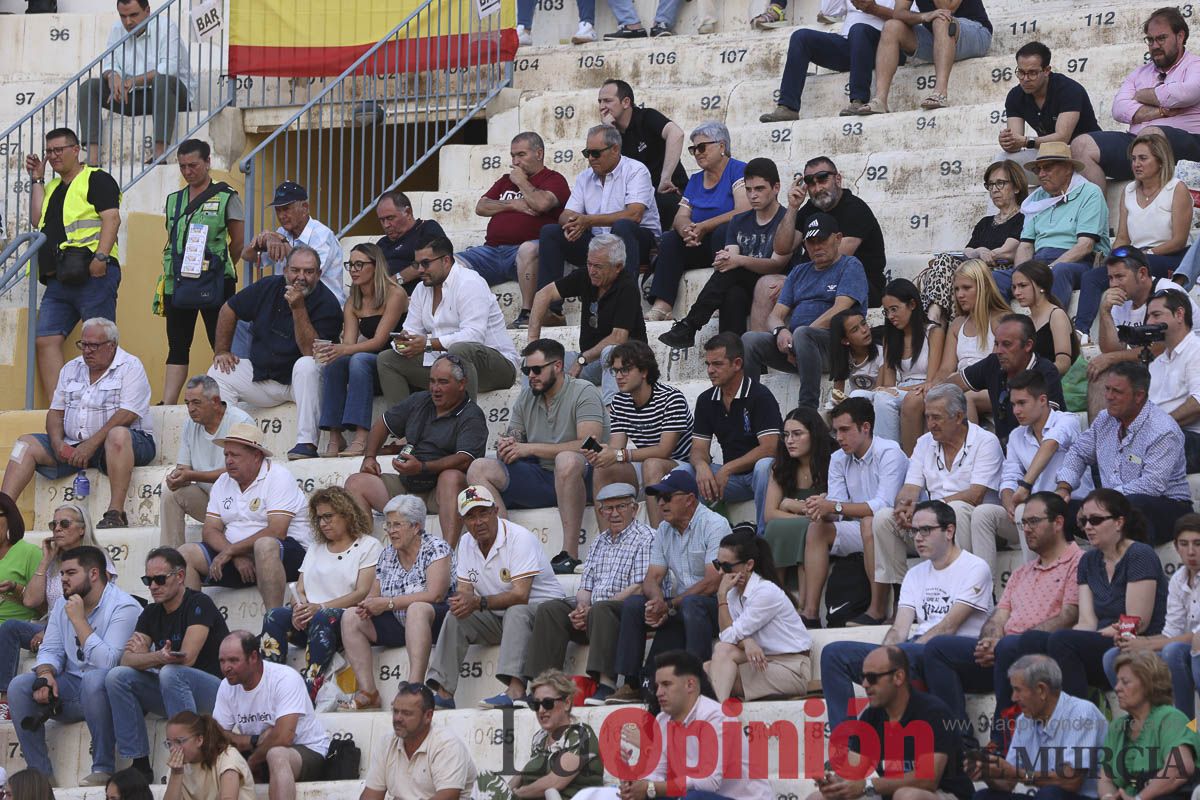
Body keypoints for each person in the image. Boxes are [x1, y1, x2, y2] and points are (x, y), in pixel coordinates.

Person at [923, 492, 1084, 746]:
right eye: (1024, 523)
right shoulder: (1022, 572)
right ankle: (957, 741)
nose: (1027, 529)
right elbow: (998, 616)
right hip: (1004, 653)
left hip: (1044, 655)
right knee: (937, 648)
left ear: (1059, 523)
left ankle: (1002, 740)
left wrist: (1013, 641)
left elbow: (1069, 615)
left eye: (1034, 522)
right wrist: (990, 640)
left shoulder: (1078, 563)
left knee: (1010, 646)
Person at [821, 501, 993, 730]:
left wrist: (899, 655)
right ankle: (846, 744)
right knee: (834, 654)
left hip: (956, 654)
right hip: (914, 650)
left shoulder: (975, 567)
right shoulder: (915, 574)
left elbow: (948, 627)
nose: (918, 538)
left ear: (949, 531)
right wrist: (883, 656)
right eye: (914, 531)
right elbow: (899, 629)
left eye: (926, 530)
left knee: (917, 650)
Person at [1, 317, 155, 530]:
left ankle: (115, 513)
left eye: (94, 345)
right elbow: (55, 412)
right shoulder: (71, 368)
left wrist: (90, 445)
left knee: (118, 434)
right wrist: (57, 443)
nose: (87, 351)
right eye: (84, 344)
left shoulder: (131, 366)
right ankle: (3, 512)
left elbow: (127, 414)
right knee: (24, 445)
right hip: (74, 445)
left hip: (125, 444)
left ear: (112, 346)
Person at [465, 339, 603, 574]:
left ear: (557, 366)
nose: (531, 376)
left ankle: (569, 555)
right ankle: (503, 549)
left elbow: (589, 445)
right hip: (541, 477)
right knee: (478, 468)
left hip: (584, 477)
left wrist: (529, 448)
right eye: (527, 370)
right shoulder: (528, 396)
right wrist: (507, 445)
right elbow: (514, 437)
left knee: (566, 460)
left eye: (537, 369)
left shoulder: (583, 390)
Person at [8, 545, 142, 786]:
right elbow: (50, 650)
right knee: (19, 686)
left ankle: (103, 767)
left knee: (94, 678)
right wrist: (46, 674)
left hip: (110, 694)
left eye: (70, 573)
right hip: (71, 689)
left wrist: (79, 621)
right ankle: (40, 775)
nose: (63, 580)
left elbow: (109, 663)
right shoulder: (62, 604)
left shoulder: (125, 606)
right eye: (61, 574)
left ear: (93, 574)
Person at [425, 486, 565, 710]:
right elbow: (465, 590)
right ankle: (443, 692)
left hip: (545, 614)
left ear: (495, 511)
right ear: (462, 520)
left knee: (516, 611)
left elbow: (521, 595)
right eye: (470, 516)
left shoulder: (519, 538)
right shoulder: (466, 544)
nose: (478, 521)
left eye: (483, 513)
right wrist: (461, 601)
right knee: (456, 616)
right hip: (504, 617)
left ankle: (516, 691)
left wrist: (478, 602)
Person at [105, 547, 230, 784]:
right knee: (117, 677)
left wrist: (152, 657)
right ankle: (140, 763)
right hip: (173, 690)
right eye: (148, 580)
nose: (152, 586)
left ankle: (191, 760)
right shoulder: (151, 612)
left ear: (180, 576)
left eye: (159, 579)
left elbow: (187, 658)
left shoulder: (199, 603)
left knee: (173, 673)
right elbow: (127, 659)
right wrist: (158, 658)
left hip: (215, 693)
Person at [522, 483, 654, 706]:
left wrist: (593, 608)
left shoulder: (647, 537)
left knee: (603, 608)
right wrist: (582, 608)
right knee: (551, 609)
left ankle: (606, 683)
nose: (613, 513)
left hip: (627, 612)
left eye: (620, 507)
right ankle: (543, 685)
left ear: (635, 509)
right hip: (596, 611)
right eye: (607, 509)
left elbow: (639, 587)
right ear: (600, 512)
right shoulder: (600, 541)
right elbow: (586, 587)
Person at [604, 470, 730, 705]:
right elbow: (652, 578)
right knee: (634, 604)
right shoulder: (663, 529)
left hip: (716, 606)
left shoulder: (714, 524)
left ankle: (696, 680)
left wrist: (670, 604)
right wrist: (657, 602)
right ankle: (630, 682)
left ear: (690, 499)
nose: (661, 503)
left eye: (668, 497)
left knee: (693, 604)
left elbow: (713, 582)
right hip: (683, 605)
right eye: (658, 498)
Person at [207, 245, 342, 461]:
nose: (301, 277)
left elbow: (311, 352)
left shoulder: (329, 304)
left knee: (306, 364)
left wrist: (298, 308)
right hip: (264, 377)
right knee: (218, 372)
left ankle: (306, 443)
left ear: (319, 274)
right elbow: (229, 309)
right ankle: (232, 442)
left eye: (308, 272)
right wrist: (222, 350)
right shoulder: (269, 286)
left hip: (302, 386)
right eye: (295, 270)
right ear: (285, 270)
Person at [872, 384, 1009, 593]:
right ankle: (902, 595)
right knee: (884, 518)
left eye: (937, 417)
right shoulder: (924, 442)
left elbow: (975, 495)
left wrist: (925, 511)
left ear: (959, 416)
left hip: (976, 526)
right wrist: (904, 505)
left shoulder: (985, 441)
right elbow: (910, 487)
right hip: (932, 523)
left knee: (958, 509)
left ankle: (965, 593)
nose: (930, 424)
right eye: (927, 417)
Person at [345, 354, 487, 547]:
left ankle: (447, 555)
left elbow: (465, 459)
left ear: (462, 384)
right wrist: (370, 457)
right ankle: (366, 553)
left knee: (451, 477)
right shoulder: (420, 400)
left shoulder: (472, 415)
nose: (435, 389)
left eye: (443, 382)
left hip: (441, 494)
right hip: (408, 486)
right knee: (355, 483)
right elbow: (383, 424)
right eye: (432, 381)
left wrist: (422, 467)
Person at [25, 127, 122, 403]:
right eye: (49, 152)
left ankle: (102, 404)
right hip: (59, 278)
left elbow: (112, 219)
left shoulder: (96, 178)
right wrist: (37, 179)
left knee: (98, 342)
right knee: (46, 339)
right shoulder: (53, 186)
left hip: (93, 273)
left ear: (75, 149)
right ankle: (62, 408)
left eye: (59, 150)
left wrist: (100, 259)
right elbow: (36, 219)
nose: (53, 156)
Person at [1046, 489, 1168, 699]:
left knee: (1061, 642)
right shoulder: (1088, 560)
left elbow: (1136, 622)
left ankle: (1080, 718)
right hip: (1102, 639)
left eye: (1095, 520)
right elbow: (1086, 621)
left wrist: (1087, 638)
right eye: (1084, 521)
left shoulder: (1139, 554)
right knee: (1034, 643)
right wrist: (1083, 636)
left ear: (1119, 522)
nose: (1088, 527)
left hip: (1136, 640)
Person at [808, 646, 974, 800]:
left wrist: (868, 785)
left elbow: (927, 780)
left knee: (907, 796)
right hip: (892, 793)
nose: (865, 684)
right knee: (817, 798)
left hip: (943, 794)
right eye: (863, 677)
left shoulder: (933, 713)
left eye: (872, 678)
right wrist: (834, 783)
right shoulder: (872, 716)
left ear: (898, 677)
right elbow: (853, 769)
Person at [177, 423, 313, 610]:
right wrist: (235, 555)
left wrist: (231, 551)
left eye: (235, 455)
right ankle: (195, 624)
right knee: (185, 554)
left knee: (264, 545)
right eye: (226, 455)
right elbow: (210, 530)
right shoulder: (223, 482)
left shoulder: (278, 476)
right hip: (239, 558)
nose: (229, 461)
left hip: (286, 554)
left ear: (256, 456)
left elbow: (277, 531)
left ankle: (273, 624)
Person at [259, 487, 381, 696]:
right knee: (274, 615)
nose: (323, 523)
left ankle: (309, 690)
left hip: (342, 621)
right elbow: (299, 588)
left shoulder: (369, 545)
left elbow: (362, 592)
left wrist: (320, 608)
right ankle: (268, 684)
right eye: (319, 518)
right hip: (310, 618)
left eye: (328, 516)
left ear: (347, 514)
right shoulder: (316, 547)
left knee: (324, 617)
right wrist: (299, 607)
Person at [658, 157, 791, 346]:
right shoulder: (738, 221)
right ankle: (734, 358)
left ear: (776, 188)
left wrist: (738, 261)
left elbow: (777, 264)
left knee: (734, 270)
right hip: (743, 282)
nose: (753, 195)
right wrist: (725, 260)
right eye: (749, 189)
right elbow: (731, 258)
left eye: (759, 189)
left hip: (773, 285)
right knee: (732, 295)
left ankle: (690, 324)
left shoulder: (786, 220)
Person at [742, 213, 870, 411]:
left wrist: (798, 341)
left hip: (835, 347)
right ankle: (750, 408)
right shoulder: (799, 271)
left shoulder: (850, 265)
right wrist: (780, 332)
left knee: (803, 333)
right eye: (811, 242)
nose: (817, 247)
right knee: (750, 339)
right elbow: (775, 315)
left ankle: (807, 409)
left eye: (822, 240)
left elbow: (840, 309)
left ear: (837, 239)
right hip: (798, 348)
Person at [1055, 362, 1192, 544]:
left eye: (1117, 392)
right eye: (1107, 389)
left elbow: (1152, 486)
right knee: (1055, 508)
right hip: (1111, 504)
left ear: (1139, 396)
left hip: (1166, 506)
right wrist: (1064, 487)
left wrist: (1098, 503)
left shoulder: (1163, 430)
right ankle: (1067, 567)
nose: (1109, 397)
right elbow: (1079, 452)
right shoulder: (1104, 419)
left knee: (1133, 506)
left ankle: (1135, 566)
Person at [0, 503, 115, 720]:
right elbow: (31, 600)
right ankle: (4, 698)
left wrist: (50, 632)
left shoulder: (97, 558)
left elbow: (95, 604)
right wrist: (46, 561)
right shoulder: (54, 560)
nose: (57, 529)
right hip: (50, 623)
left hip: (85, 624)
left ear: (82, 529)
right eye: (54, 524)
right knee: (10, 628)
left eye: (64, 524)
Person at [801, 397, 908, 627]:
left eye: (845, 430)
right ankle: (810, 613)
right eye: (836, 431)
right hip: (865, 530)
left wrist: (834, 506)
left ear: (866, 427)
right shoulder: (838, 459)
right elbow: (837, 509)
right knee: (816, 529)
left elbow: (884, 505)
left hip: (900, 529)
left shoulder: (890, 452)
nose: (838, 437)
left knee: (872, 521)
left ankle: (877, 610)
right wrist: (820, 509)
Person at [339, 495, 453, 712]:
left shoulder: (436, 548)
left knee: (417, 609)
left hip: (436, 622)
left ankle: (414, 689)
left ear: (416, 526)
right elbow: (374, 595)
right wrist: (367, 606)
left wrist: (389, 603)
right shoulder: (387, 554)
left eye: (397, 525)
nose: (390, 531)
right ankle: (368, 693)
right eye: (388, 525)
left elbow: (436, 594)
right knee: (351, 616)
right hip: (401, 622)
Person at [534, 124, 660, 318]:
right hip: (598, 243)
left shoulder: (636, 170)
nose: (591, 158)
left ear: (615, 149)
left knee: (623, 227)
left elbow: (635, 215)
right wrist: (574, 223)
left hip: (637, 241)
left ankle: (626, 304)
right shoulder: (585, 177)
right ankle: (551, 312)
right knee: (551, 232)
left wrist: (588, 221)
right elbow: (565, 215)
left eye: (595, 153)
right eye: (587, 153)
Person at [376, 235, 519, 405]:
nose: (419, 270)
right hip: (445, 364)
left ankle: (465, 425)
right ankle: (403, 428)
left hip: (496, 368)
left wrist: (427, 344)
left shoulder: (470, 282)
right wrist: (405, 343)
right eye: (416, 264)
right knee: (386, 359)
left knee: (459, 351)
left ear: (446, 260)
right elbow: (411, 330)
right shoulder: (421, 289)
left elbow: (474, 336)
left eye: (425, 263)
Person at [1075, 133, 1193, 334]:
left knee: (1137, 268)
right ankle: (1080, 333)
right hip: (1137, 258)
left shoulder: (1176, 189)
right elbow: (1122, 237)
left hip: (1170, 256)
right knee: (1091, 277)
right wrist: (1113, 259)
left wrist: (1146, 254)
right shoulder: (1128, 190)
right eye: (1134, 159)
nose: (1136, 164)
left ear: (1160, 160)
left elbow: (1179, 240)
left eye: (1143, 158)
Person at [157, 139, 245, 405]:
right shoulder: (174, 200)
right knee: (177, 344)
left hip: (216, 281)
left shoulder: (227, 196)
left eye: (193, 165)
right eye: (182, 166)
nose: (187, 172)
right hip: (179, 282)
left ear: (208, 162)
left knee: (220, 343)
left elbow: (238, 241)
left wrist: (217, 268)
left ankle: (226, 399)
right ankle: (168, 403)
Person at [618, 650, 773, 800]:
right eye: (657, 686)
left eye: (666, 684)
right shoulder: (662, 720)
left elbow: (709, 782)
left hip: (740, 797)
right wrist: (634, 785)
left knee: (691, 797)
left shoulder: (718, 718)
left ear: (690, 685)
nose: (658, 692)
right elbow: (657, 772)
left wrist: (650, 788)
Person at [1072, 7, 1200, 187]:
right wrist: (1161, 111)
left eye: (1161, 38)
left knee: (1150, 136)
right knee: (1081, 145)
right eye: (1150, 40)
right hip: (1137, 142)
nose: (1155, 46)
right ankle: (1096, 213)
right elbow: (1118, 109)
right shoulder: (1139, 73)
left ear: (1180, 36)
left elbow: (1186, 93)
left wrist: (1144, 95)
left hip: (1187, 144)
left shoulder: (1196, 65)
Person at [645, 122, 749, 321]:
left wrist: (704, 226)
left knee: (723, 231)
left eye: (702, 147)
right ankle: (662, 305)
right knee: (670, 239)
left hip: (730, 243)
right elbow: (680, 216)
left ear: (721, 146)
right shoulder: (695, 179)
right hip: (699, 242)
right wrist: (687, 230)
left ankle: (719, 299)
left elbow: (743, 210)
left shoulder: (738, 170)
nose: (697, 153)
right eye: (693, 149)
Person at [528, 233, 647, 406]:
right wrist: (533, 342)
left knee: (612, 352)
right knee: (537, 360)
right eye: (589, 264)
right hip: (589, 361)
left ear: (618, 267)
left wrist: (582, 360)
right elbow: (543, 295)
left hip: (627, 363)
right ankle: (526, 419)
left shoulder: (627, 287)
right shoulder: (587, 276)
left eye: (598, 266)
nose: (592, 270)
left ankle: (613, 416)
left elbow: (618, 338)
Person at [967, 654, 1108, 799]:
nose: (1013, 698)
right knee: (983, 797)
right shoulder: (1024, 721)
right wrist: (987, 772)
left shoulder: (1082, 713)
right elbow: (1008, 783)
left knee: (1050, 794)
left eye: (1018, 690)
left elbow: (1071, 781)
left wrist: (1017, 773)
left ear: (1041, 690)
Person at [459, 132, 571, 314]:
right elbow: (481, 206)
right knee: (451, 264)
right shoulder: (505, 180)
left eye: (521, 155)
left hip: (526, 252)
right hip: (491, 252)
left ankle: (528, 312)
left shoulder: (553, 179)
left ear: (539, 154)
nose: (516, 161)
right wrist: (513, 204)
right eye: (513, 156)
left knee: (528, 249)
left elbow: (541, 203)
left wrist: (521, 182)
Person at [585, 341, 694, 528]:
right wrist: (603, 454)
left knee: (652, 464)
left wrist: (619, 455)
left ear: (644, 372)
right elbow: (616, 448)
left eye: (625, 370)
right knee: (604, 467)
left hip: (683, 468)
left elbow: (664, 450)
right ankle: (607, 543)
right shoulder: (620, 401)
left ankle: (658, 540)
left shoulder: (671, 397)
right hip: (648, 467)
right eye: (616, 371)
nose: (619, 376)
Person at [1009, 142, 1112, 336]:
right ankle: (1004, 338)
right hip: (1039, 262)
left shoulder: (1089, 192)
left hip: (1079, 262)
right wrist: (1020, 273)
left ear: (1068, 168)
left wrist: (1049, 269)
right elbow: (1025, 246)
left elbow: (1085, 246)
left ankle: (1049, 335)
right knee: (992, 279)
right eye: (1038, 169)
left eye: (1048, 167)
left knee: (1060, 271)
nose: (1041, 174)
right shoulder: (1037, 198)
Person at [1101, 514, 1200, 717]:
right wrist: (1135, 642)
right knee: (1114, 656)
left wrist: (1147, 644)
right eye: (1184, 544)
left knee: (1173, 652)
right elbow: (1171, 632)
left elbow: (1196, 637)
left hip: (1192, 651)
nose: (1191, 551)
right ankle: (1146, 722)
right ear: (1176, 546)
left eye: (1198, 544)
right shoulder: (1178, 580)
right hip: (1181, 649)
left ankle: (1185, 724)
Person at [758, 156, 887, 311]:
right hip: (817, 277)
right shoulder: (810, 209)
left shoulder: (856, 209)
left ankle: (802, 333)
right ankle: (769, 335)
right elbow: (782, 248)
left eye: (823, 179)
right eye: (811, 183)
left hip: (857, 283)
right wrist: (793, 207)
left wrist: (792, 281)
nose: (817, 188)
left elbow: (831, 258)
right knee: (766, 287)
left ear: (837, 179)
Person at [212, 631, 330, 799]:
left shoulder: (284, 678)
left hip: (307, 750)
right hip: (260, 751)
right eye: (222, 661)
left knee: (276, 754)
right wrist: (253, 740)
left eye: (233, 660)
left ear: (253, 657)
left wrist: (252, 760)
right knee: (223, 757)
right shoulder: (226, 686)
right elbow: (216, 735)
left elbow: (283, 737)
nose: (226, 667)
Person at [316, 242, 407, 457]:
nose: (354, 270)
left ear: (375, 266)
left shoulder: (395, 294)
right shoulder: (353, 301)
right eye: (351, 265)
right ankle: (334, 437)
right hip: (366, 367)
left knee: (358, 359)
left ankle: (361, 437)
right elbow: (348, 343)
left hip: (393, 364)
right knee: (336, 361)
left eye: (359, 264)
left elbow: (378, 341)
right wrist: (332, 350)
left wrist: (343, 349)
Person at [1089, 248, 1200, 417]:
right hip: (1150, 365)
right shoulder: (1121, 299)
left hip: (1183, 364)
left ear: (1142, 273)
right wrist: (1105, 312)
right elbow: (1111, 350)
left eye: (1120, 277)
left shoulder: (1168, 294)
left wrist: (1110, 358)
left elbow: (1160, 348)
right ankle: (1105, 439)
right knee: (1100, 374)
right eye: (1110, 278)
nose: (1113, 284)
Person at [78, 0, 192, 164]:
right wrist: (112, 77)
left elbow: (169, 67)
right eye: (123, 16)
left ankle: (159, 156)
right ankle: (93, 161)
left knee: (162, 80)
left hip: (171, 97)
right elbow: (109, 64)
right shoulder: (118, 29)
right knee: (88, 87)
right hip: (132, 97)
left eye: (133, 15)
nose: (128, 22)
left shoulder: (166, 27)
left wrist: (132, 81)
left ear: (147, 11)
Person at [690, 333, 782, 534]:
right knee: (686, 473)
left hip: (761, 478)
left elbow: (771, 447)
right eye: (708, 364)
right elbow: (698, 449)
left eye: (717, 364)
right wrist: (701, 465)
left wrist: (727, 469)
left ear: (737, 363)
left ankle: (764, 537)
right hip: (732, 480)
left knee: (765, 466)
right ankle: (707, 539)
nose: (710, 370)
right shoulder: (706, 400)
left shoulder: (760, 396)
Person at [706, 529, 812, 701]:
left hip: (791, 668)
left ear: (748, 565)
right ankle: (718, 713)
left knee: (716, 666)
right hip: (763, 660)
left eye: (726, 567)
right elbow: (731, 635)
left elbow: (727, 637)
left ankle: (717, 717)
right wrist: (746, 641)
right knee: (703, 671)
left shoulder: (764, 591)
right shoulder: (733, 593)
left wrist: (720, 597)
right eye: (718, 564)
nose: (720, 573)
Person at [916, 161, 1027, 324]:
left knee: (951, 271)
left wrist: (985, 254)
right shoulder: (985, 222)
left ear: (1017, 187)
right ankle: (936, 315)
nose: (994, 189)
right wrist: (980, 251)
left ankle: (940, 321)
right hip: (974, 270)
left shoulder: (1023, 218)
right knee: (944, 260)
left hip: (996, 270)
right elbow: (968, 251)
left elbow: (1008, 250)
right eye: (990, 185)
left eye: (1000, 183)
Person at [472, 669, 603, 799]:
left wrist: (515, 795)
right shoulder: (540, 738)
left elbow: (555, 782)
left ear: (567, 703)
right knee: (484, 781)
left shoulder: (581, 734)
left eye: (547, 703)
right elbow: (522, 776)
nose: (541, 710)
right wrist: (505, 791)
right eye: (535, 704)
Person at [759, 0, 895, 120]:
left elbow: (911, 18)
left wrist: (874, 9)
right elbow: (829, 11)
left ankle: (859, 100)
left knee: (858, 30)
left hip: (884, 48)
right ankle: (788, 107)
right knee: (800, 37)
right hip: (850, 46)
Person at [160, 375, 254, 548]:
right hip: (211, 503)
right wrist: (177, 477)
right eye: (187, 403)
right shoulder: (190, 424)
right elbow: (184, 468)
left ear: (215, 401)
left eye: (196, 402)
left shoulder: (240, 421)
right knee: (171, 494)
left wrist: (192, 474)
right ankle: (170, 560)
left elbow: (239, 472)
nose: (190, 409)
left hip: (241, 505)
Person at [852, 278, 943, 452]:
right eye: (886, 311)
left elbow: (931, 382)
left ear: (912, 304)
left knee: (883, 398)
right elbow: (889, 382)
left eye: (895, 309)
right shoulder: (890, 338)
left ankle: (888, 457)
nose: (890, 316)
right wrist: (887, 390)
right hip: (899, 390)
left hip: (921, 391)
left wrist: (892, 391)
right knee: (857, 395)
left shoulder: (933, 332)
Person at [1098, 651, 1200, 800]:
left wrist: (1139, 798)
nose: (1117, 688)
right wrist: (1108, 796)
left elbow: (1180, 767)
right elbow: (1105, 779)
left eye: (1125, 682)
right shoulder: (1117, 727)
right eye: (1117, 682)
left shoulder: (1170, 718)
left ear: (1148, 685)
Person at [859, 0, 992, 114]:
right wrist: (924, 16)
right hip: (938, 38)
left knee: (941, 19)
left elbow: (947, 8)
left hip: (976, 32)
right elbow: (899, 13)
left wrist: (932, 15)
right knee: (891, 26)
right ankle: (880, 100)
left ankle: (940, 93)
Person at [949, 314, 1065, 444]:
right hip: (1006, 454)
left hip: (1038, 451)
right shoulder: (994, 363)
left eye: (1006, 344)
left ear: (1028, 345)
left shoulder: (1046, 372)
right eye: (996, 344)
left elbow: (1047, 431)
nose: (999, 351)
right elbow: (949, 387)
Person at [762, 408, 833, 619]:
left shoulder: (832, 462)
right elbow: (769, 514)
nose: (789, 441)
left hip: (827, 527)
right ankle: (779, 594)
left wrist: (791, 504)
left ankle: (800, 604)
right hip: (806, 524)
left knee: (809, 529)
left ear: (814, 434)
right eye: (786, 435)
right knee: (778, 526)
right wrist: (805, 512)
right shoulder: (781, 467)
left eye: (797, 434)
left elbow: (829, 510)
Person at [1001, 371, 1092, 527]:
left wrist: (1025, 487)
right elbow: (1009, 477)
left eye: (1022, 403)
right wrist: (1010, 502)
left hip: (1073, 505)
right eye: (1013, 404)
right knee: (986, 515)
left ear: (1042, 400)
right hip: (1036, 511)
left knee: (1028, 513)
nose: (1016, 411)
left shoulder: (1068, 420)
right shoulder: (1016, 435)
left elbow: (1050, 443)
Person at [359, 683, 477, 800]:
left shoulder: (447, 746)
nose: (397, 719)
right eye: (395, 711)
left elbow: (448, 797)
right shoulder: (386, 743)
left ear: (428, 716)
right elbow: (370, 796)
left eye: (406, 713)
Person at [596, 80, 687, 228]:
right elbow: (597, 169)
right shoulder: (610, 133)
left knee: (663, 204)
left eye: (607, 101)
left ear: (626, 102)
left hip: (668, 192)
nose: (601, 107)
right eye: (599, 102)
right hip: (634, 201)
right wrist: (608, 132)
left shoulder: (646, 117)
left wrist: (666, 178)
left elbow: (676, 134)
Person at [239, 181, 344, 306]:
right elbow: (246, 255)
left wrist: (281, 240)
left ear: (305, 208)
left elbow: (306, 278)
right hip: (290, 305)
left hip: (322, 306)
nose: (282, 216)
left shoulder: (323, 236)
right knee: (240, 319)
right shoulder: (282, 232)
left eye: (286, 209)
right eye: (278, 210)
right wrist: (262, 241)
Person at [999, 42, 1102, 164]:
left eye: (1032, 73)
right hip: (1048, 153)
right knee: (1002, 161)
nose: (1025, 79)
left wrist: (1027, 141)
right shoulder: (1015, 96)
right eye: (1021, 72)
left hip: (1085, 152)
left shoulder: (1068, 89)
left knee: (1075, 151)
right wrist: (1008, 142)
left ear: (1047, 70)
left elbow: (1062, 138)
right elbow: (1016, 143)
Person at [931, 259, 1009, 420]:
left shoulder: (1001, 319)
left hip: (993, 386)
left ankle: (971, 446)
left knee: (963, 399)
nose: (960, 294)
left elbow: (995, 368)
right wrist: (933, 386)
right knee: (923, 400)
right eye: (956, 289)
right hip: (960, 385)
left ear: (984, 287)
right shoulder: (957, 324)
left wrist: (951, 384)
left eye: (966, 288)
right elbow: (945, 369)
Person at [1145, 289, 1200, 472]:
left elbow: (1198, 403)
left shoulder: (1196, 350)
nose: (1149, 323)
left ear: (1179, 314)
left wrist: (1157, 428)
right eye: (1148, 316)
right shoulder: (1157, 362)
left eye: (1156, 315)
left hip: (1191, 438)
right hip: (1162, 436)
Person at [163, 711, 255, 800]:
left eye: (179, 741)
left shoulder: (227, 757)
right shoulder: (177, 768)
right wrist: (176, 774)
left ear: (199, 740)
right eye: (169, 743)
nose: (172, 748)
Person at [1010, 260, 1079, 375]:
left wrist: (1030, 379)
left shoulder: (1056, 315)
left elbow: (1063, 363)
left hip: (1049, 385)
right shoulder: (1025, 321)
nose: (1017, 292)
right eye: (1014, 287)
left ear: (1041, 286)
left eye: (1022, 286)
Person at [374, 190, 447, 296]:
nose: (386, 225)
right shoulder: (382, 244)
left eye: (390, 218)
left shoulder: (427, 228)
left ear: (408, 212)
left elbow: (432, 261)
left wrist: (394, 280)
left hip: (422, 297)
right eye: (382, 220)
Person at [828, 309, 883, 399]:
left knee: (856, 394)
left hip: (877, 401)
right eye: (855, 330)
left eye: (864, 323)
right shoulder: (844, 357)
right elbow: (837, 395)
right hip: (856, 406)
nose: (864, 330)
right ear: (845, 340)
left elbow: (879, 392)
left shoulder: (881, 353)